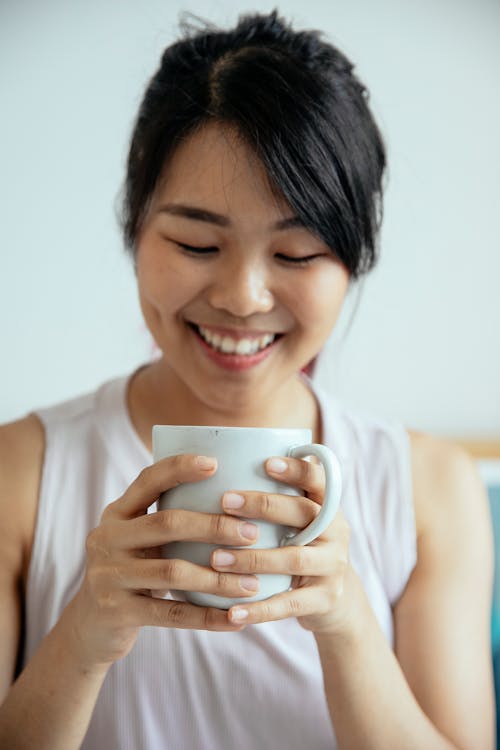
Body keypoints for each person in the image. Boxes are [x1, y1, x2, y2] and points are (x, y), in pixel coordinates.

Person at [0, 9, 494, 750]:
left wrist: (349, 625)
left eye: (296, 255)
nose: (243, 297)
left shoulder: (430, 490)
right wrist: (83, 635)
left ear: (353, 263)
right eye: (197, 242)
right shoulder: (21, 474)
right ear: (134, 231)